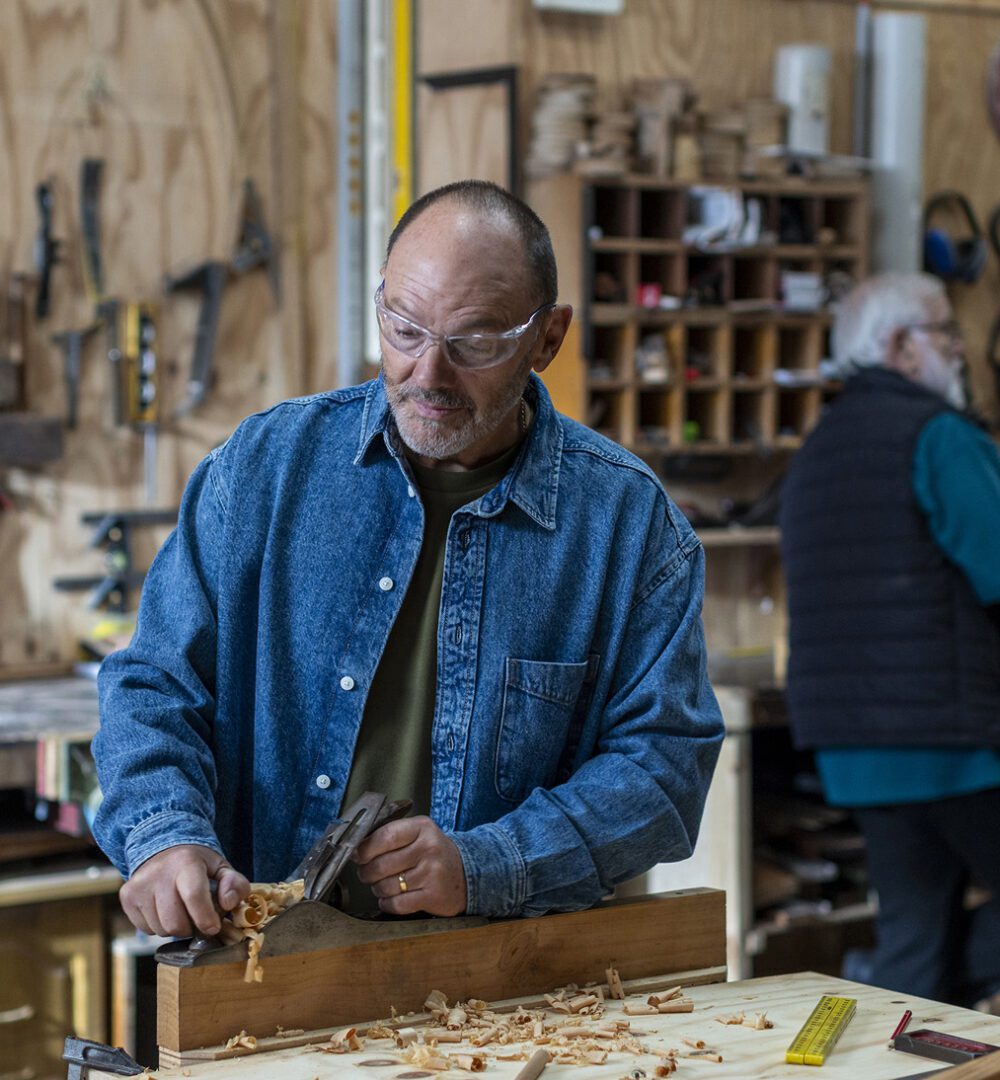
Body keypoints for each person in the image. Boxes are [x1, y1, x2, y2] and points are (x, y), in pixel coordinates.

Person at [92, 180, 724, 940]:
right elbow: (153, 683)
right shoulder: (264, 470)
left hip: (497, 986)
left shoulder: (627, 526)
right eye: (405, 328)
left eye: (474, 342)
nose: (428, 374)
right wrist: (165, 833)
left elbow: (662, 774)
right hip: (253, 972)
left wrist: (485, 864)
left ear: (547, 338)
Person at [779, 272, 1000, 1007]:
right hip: (952, 740)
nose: (962, 349)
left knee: (915, 930)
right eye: (946, 332)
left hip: (856, 751)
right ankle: (897, 986)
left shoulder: (815, 452)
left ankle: (893, 993)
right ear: (902, 345)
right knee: (924, 935)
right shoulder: (936, 434)